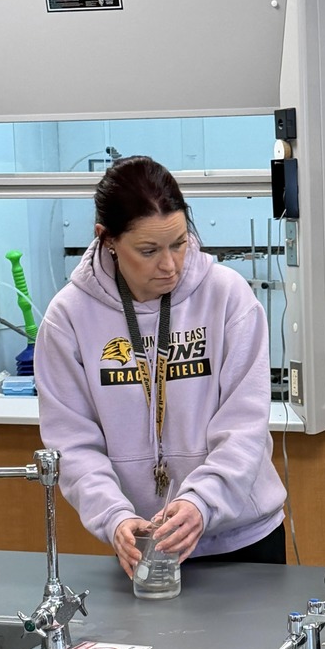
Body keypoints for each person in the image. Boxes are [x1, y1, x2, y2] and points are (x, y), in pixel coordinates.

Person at [36, 155, 288, 578]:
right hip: (144, 548)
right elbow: (73, 445)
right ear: (107, 239)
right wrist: (113, 517)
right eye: (149, 251)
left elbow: (245, 425)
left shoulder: (228, 297)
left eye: (179, 243)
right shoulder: (68, 318)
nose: (169, 265)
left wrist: (200, 502)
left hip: (244, 541)